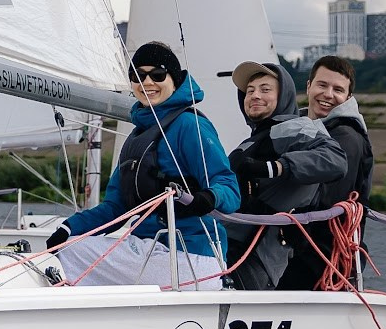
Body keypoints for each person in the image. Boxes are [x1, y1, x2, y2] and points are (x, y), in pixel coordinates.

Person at [48, 42, 241, 291]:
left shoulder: (189, 125)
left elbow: (229, 187)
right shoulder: (138, 137)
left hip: (192, 257)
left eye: (158, 74)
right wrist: (69, 227)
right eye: (138, 76)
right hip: (150, 252)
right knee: (67, 247)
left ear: (174, 79)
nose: (147, 82)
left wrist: (207, 198)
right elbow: (116, 207)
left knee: (67, 258)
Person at [225, 60, 352, 291]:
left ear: (284, 95)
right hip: (229, 249)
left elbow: (335, 159)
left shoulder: (291, 128)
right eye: (250, 91)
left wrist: (275, 167)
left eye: (265, 89)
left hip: (253, 257)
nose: (255, 95)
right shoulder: (257, 138)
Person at [305, 55, 376, 207]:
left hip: (319, 229)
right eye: (322, 85)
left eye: (338, 90)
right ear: (308, 87)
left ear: (348, 97)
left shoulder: (347, 137)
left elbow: (328, 200)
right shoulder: (294, 124)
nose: (328, 94)